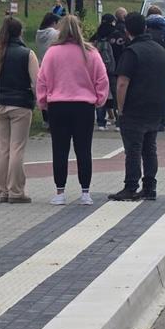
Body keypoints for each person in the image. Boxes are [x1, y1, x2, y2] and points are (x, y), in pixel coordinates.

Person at [36, 15, 109, 204]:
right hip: (84, 106)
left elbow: (42, 79)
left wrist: (43, 102)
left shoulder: (52, 53)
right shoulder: (90, 52)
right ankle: (85, 192)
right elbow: (102, 79)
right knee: (83, 149)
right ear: (79, 29)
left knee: (59, 149)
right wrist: (99, 100)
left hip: (58, 106)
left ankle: (60, 193)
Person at [108, 12, 165, 201]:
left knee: (133, 149)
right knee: (150, 148)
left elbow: (122, 83)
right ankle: (150, 187)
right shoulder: (159, 50)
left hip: (135, 108)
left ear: (127, 30)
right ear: (145, 27)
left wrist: (120, 107)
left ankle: (131, 186)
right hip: (156, 106)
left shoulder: (131, 52)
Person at [0, 17, 39, 203]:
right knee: (17, 148)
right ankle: (16, 191)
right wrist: (38, 101)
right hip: (20, 105)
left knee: (2, 148)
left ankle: (2, 190)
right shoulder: (27, 54)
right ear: (20, 32)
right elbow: (36, 82)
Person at [90, 14, 118, 130]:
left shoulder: (97, 36)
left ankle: (101, 122)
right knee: (116, 95)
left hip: (98, 70)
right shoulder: (117, 33)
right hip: (114, 69)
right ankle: (118, 121)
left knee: (100, 94)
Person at [35, 13, 60, 128]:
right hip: (53, 66)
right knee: (53, 92)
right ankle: (53, 119)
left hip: (41, 64)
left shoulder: (38, 34)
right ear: (53, 22)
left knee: (44, 92)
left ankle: (45, 119)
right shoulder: (54, 33)